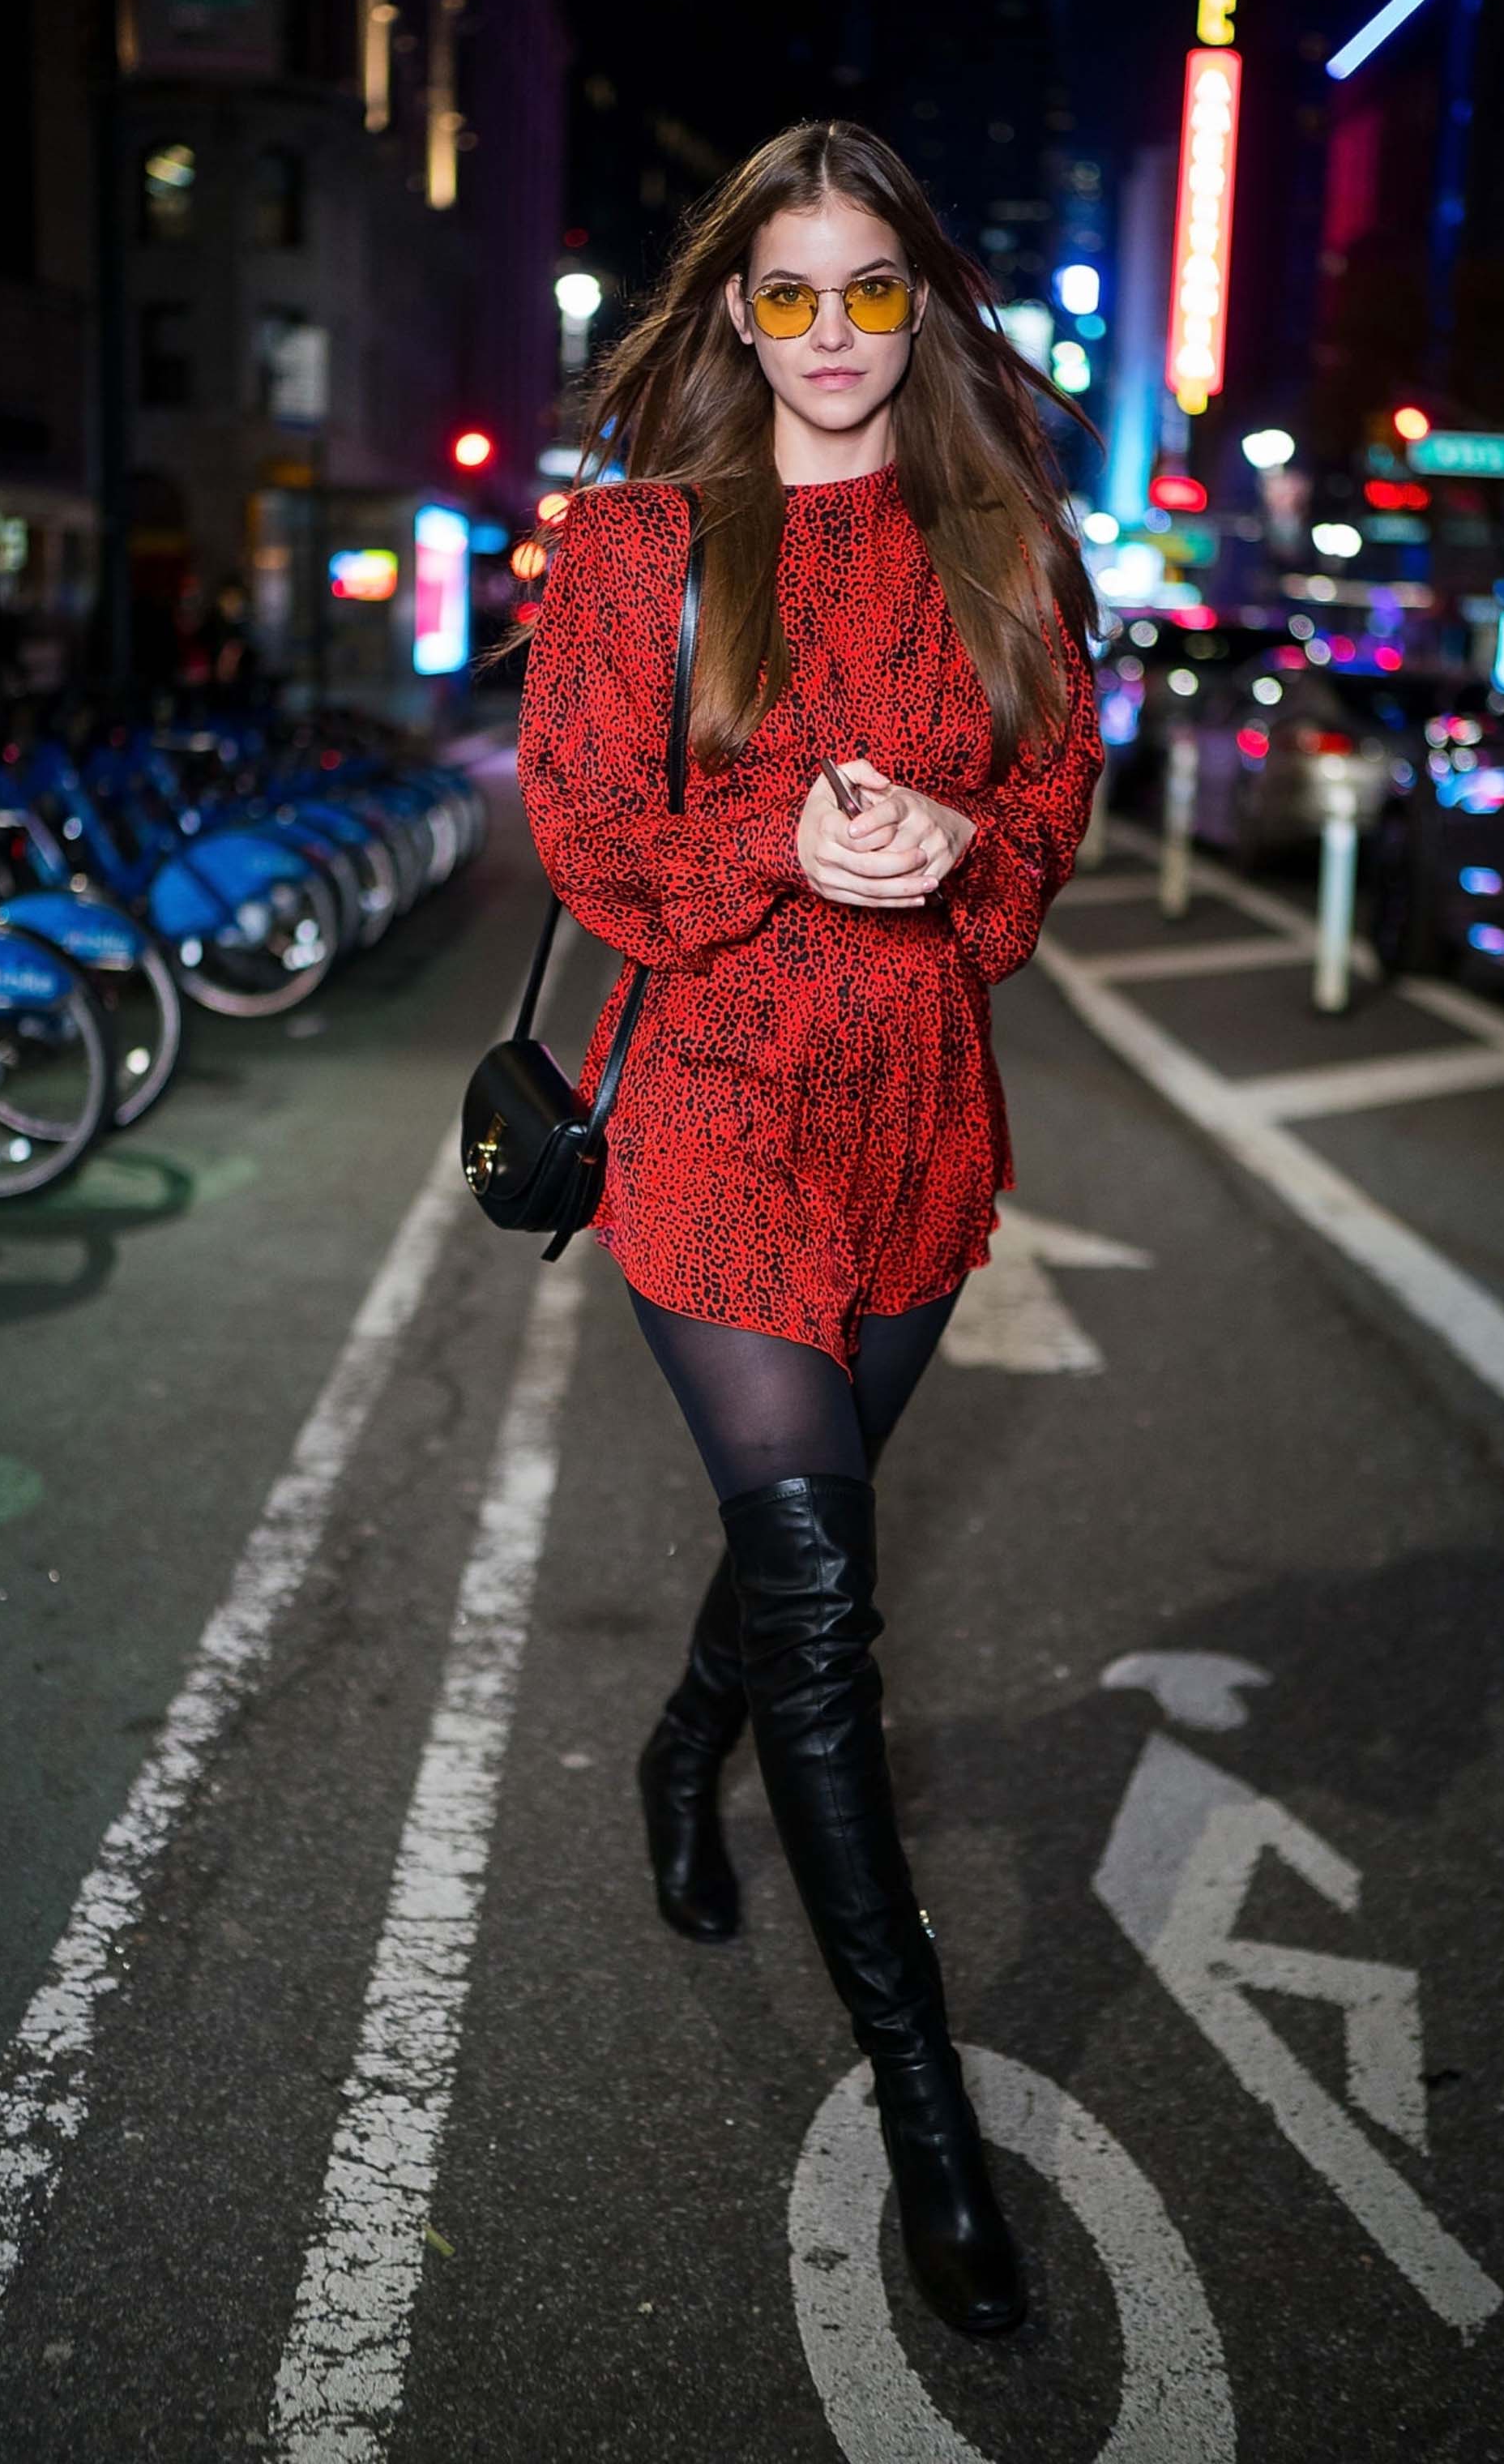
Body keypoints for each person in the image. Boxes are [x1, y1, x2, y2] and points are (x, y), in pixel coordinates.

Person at [515, 118, 1103, 2338]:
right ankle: (932, 2122)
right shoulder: (639, 546)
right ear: (736, 312)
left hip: (917, 1126)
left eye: (878, 289)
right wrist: (787, 838)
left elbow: (1048, 835)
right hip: (716, 1117)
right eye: (794, 292)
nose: (839, 334)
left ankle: (686, 1738)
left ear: (922, 306)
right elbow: (585, 826)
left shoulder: (1007, 549)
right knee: (834, 1613)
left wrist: (960, 850)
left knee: (800, 1554)